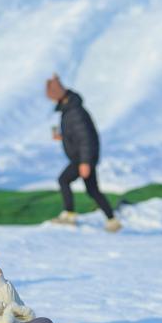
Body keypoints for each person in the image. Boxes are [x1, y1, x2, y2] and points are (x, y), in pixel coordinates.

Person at [46, 74, 121, 232]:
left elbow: (87, 138)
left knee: (63, 180)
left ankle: (69, 214)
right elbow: (77, 133)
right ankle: (112, 220)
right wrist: (62, 136)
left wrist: (85, 162)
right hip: (82, 157)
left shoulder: (75, 112)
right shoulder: (69, 110)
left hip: (82, 158)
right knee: (92, 190)